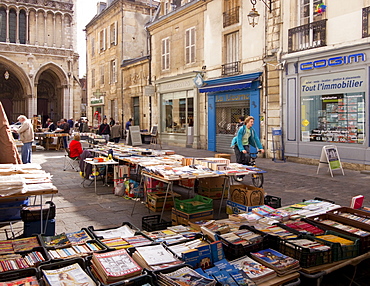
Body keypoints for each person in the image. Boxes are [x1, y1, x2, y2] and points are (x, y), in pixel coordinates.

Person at [231, 116, 264, 181]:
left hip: (245, 144)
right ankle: (238, 175)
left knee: (247, 158)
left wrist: (260, 148)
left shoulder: (251, 130)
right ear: (247, 122)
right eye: (251, 122)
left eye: (253, 122)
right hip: (238, 145)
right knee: (239, 160)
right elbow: (239, 139)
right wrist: (242, 149)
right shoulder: (242, 129)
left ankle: (242, 173)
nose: (252, 123)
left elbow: (256, 139)